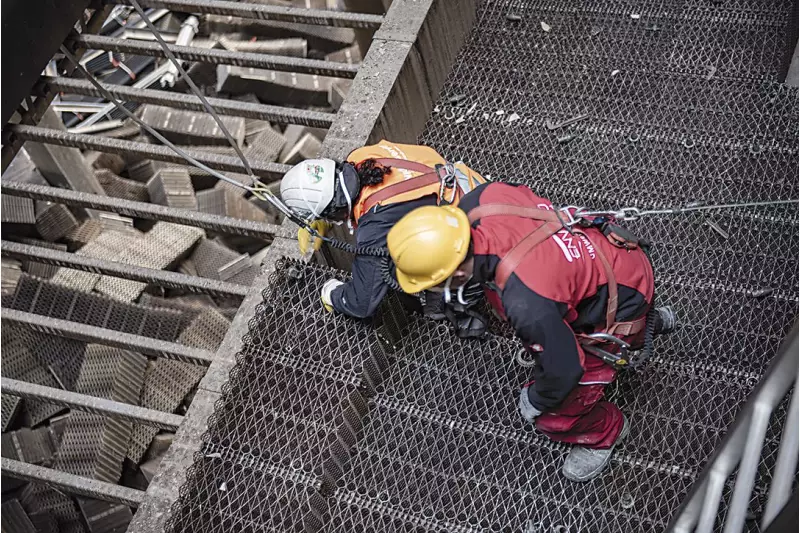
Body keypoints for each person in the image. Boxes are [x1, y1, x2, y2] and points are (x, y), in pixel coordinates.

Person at [385, 181, 676, 481]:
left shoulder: (526, 303)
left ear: (457, 273)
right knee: (549, 309)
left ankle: (604, 432)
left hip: (622, 298)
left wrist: (538, 399)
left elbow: (565, 369)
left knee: (555, 414)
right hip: (615, 254)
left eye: (434, 284)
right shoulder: (480, 198)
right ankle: (650, 324)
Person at [279, 140, 486, 319]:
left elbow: (362, 303)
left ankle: (464, 302)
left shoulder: (376, 225)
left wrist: (331, 293)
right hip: (477, 191)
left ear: (332, 210)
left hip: (475, 243)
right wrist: (328, 219)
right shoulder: (361, 156)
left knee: (422, 290)